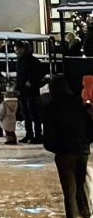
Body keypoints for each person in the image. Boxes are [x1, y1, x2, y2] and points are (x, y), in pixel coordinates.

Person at [42, 76, 93, 218]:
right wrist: (85, 142)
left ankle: (73, 215)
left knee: (69, 188)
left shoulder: (52, 107)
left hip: (64, 152)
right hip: (82, 150)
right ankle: (86, 212)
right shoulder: (78, 104)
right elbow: (90, 126)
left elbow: (49, 133)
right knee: (81, 183)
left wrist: (53, 147)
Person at [15, 40, 46, 143]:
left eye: (20, 48)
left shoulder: (32, 61)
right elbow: (19, 76)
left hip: (31, 91)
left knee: (34, 114)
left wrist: (32, 81)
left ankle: (37, 135)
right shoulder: (20, 61)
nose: (17, 51)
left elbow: (41, 72)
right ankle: (29, 134)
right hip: (23, 91)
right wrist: (17, 87)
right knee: (26, 114)